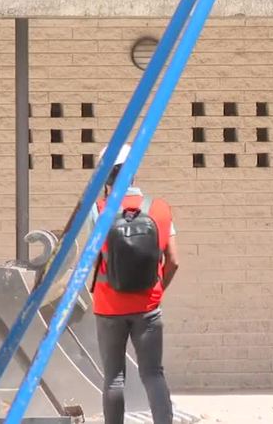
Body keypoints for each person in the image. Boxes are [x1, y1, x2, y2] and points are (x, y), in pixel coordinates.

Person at [88, 143, 180, 424]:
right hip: (148, 306)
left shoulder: (98, 210)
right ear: (134, 172)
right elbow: (174, 261)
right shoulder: (160, 208)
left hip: (108, 305)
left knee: (114, 376)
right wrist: (156, 291)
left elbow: (93, 260)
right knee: (153, 373)